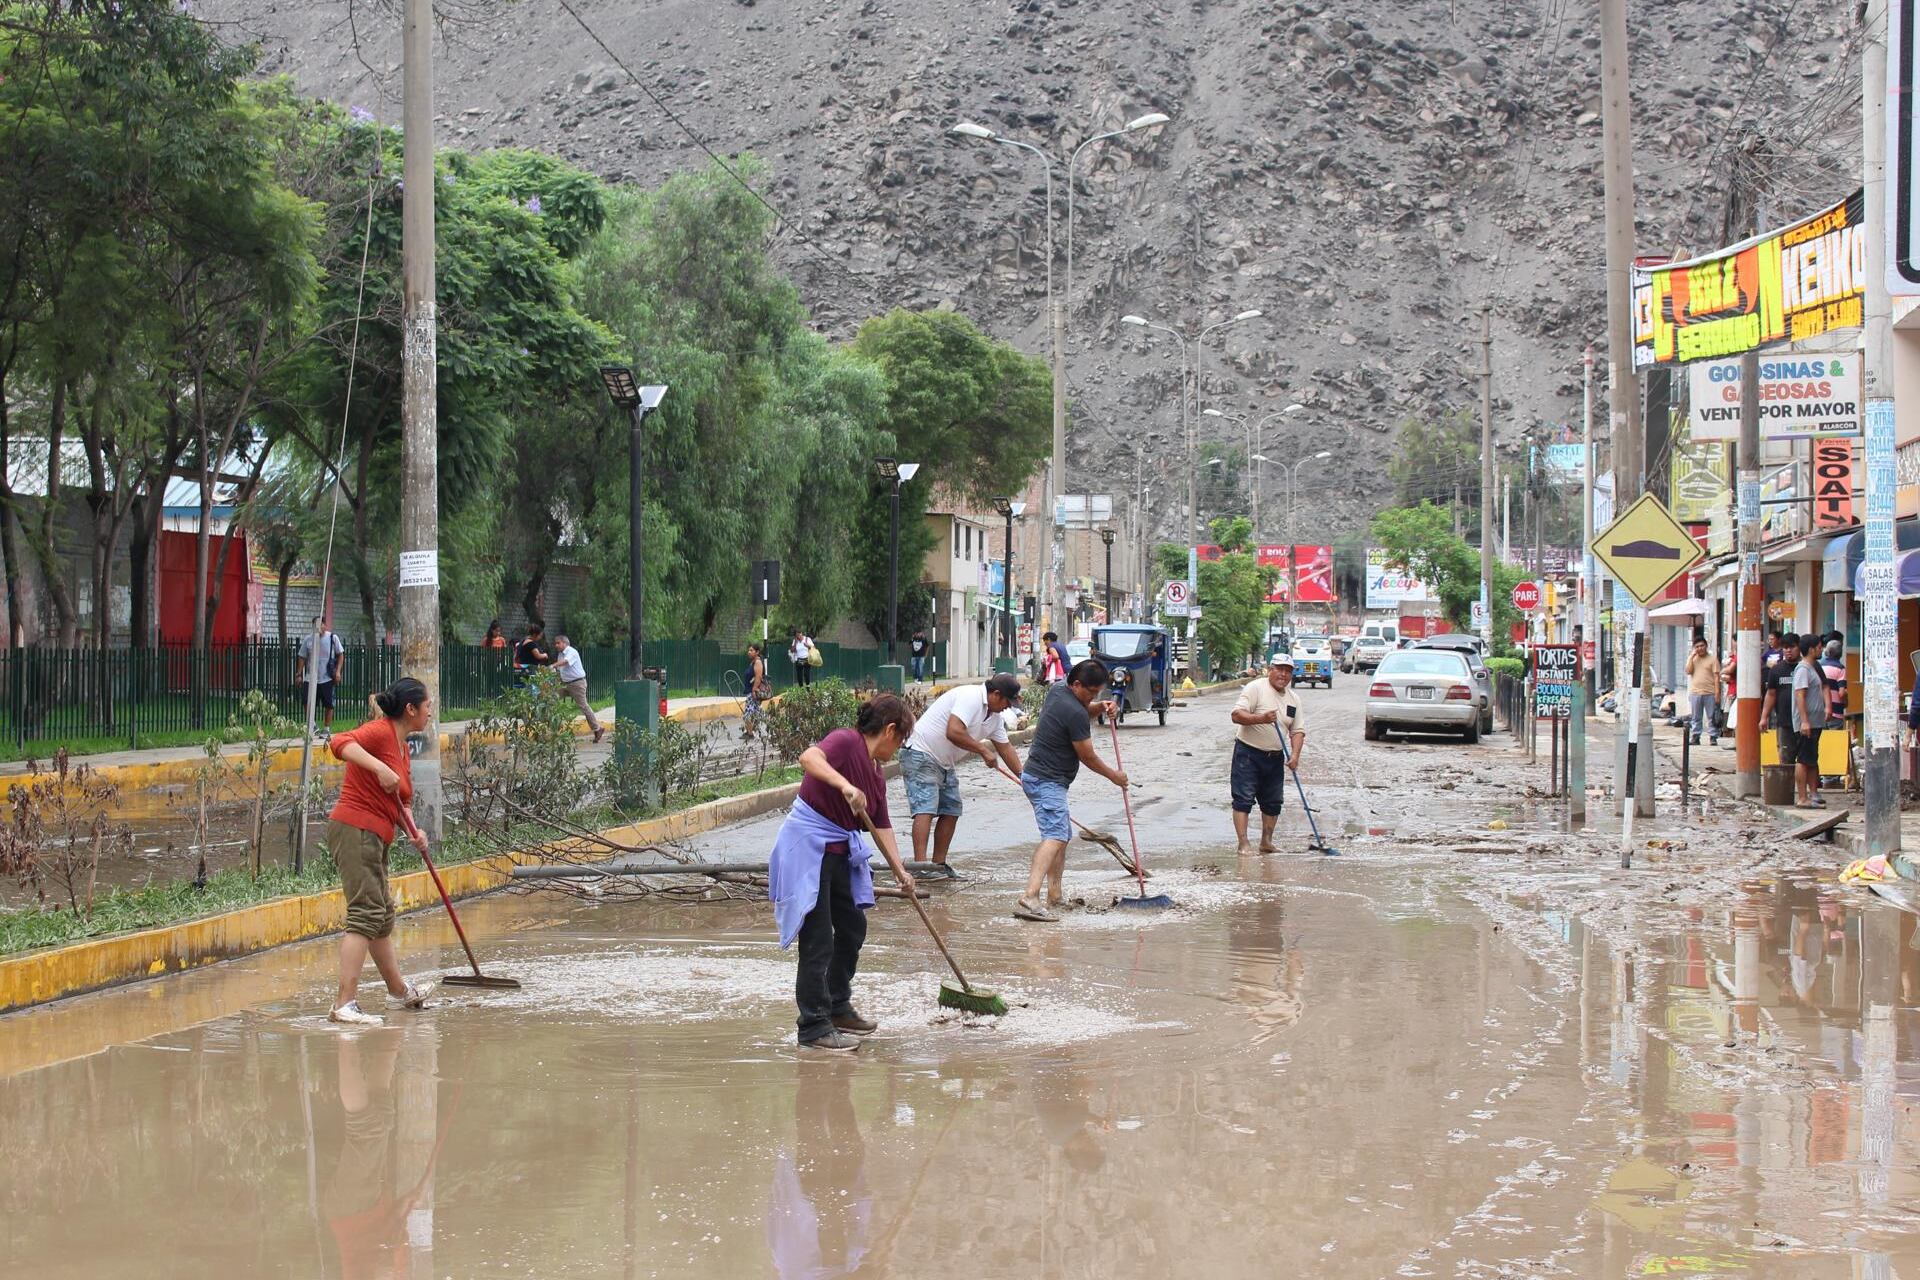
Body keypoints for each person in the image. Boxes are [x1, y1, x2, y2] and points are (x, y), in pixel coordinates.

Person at [768, 694, 917, 1051]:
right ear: (890, 730)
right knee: (818, 939)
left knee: (852, 927)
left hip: (838, 855)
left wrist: (901, 872)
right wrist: (844, 785)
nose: (897, 750)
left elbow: (882, 826)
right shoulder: (846, 741)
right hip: (809, 850)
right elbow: (809, 757)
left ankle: (837, 1006)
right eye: (900, 741)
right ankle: (813, 1026)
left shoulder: (877, 775)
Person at [326, 677, 435, 1025]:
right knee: (365, 913)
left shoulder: (402, 747)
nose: (430, 711)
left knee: (381, 916)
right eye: (427, 705)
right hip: (356, 829)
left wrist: (414, 832)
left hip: (376, 835)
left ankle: (399, 992)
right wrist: (378, 767)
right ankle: (345, 1004)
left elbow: (400, 800)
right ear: (411, 709)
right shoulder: (380, 731)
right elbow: (339, 742)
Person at [1014, 659, 1125, 923]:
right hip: (1046, 781)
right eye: (1091, 692)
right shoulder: (1075, 713)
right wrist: (1115, 777)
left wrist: (1100, 706)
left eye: (1098, 693)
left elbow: (1082, 708)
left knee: (1062, 835)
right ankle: (1030, 896)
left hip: (1041, 777)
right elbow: (1088, 757)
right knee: (1054, 835)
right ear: (1077, 684)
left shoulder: (1059, 691)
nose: (1093, 697)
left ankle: (1054, 896)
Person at [897, 673, 1024, 878]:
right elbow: (954, 731)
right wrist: (983, 751)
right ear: (996, 694)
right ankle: (920, 867)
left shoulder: (994, 719)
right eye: (1007, 702)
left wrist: (1023, 778)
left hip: (944, 761)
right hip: (920, 752)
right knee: (926, 809)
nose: (1008, 707)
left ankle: (938, 866)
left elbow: (1006, 748)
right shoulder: (971, 696)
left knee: (952, 809)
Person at [1229, 654, 1306, 855]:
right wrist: (1261, 718)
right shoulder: (1256, 688)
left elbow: (1297, 730)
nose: (1283, 674)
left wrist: (1295, 755)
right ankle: (1243, 843)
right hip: (1248, 753)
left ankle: (1266, 842)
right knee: (1243, 799)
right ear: (1270, 670)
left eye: (1288, 671)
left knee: (1273, 802)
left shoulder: (1293, 699)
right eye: (1279, 669)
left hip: (1275, 757)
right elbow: (1236, 715)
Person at [1791, 633, 1831, 809]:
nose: (1821, 649)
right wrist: (1804, 721)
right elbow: (1800, 695)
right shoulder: (1803, 669)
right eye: (1819, 646)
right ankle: (1802, 797)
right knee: (1804, 759)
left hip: (1815, 721)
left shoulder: (1813, 667)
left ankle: (1813, 793)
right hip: (1807, 723)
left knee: (1812, 759)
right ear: (1811, 649)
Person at [297, 619, 347, 737]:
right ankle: (312, 724)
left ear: (325, 625)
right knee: (306, 701)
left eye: (320, 625)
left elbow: (340, 655)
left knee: (328, 704)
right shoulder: (308, 640)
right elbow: (302, 657)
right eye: (315, 625)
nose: (318, 628)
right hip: (311, 677)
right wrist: (299, 674)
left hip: (327, 678)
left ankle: (326, 728)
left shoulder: (332, 638)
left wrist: (338, 671)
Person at [550, 634, 604, 743]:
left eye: (558, 643)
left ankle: (597, 729)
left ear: (565, 643)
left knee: (583, 706)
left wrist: (553, 666)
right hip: (564, 684)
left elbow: (565, 662)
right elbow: (562, 669)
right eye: (555, 643)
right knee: (551, 700)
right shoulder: (560, 655)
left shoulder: (571, 652)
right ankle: (554, 729)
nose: (556, 645)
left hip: (577, 683)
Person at [1761, 633, 1801, 772]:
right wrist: (1764, 717)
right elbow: (1771, 694)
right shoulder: (1777, 670)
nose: (1788, 651)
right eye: (1785, 648)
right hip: (1784, 721)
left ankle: (1808, 791)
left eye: (1792, 647)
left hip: (1805, 721)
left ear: (1799, 647)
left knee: (1806, 759)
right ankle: (1786, 790)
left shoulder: (1806, 667)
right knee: (1785, 759)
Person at [1684, 637, 1721, 747]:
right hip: (1695, 692)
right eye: (1697, 647)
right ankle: (1696, 736)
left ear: (1706, 646)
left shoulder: (1713, 659)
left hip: (1710, 692)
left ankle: (1713, 737)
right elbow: (1688, 671)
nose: (1700, 648)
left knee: (1712, 716)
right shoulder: (1693, 659)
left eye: (1702, 646)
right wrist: (1691, 656)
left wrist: (1717, 693)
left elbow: (1716, 677)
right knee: (1696, 717)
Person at [744, 642, 770, 725]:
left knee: (748, 714)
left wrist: (754, 689)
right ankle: (750, 732)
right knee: (754, 713)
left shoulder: (758, 662)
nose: (749, 652)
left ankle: (750, 733)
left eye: (751, 650)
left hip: (753, 692)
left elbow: (758, 677)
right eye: (748, 650)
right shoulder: (753, 662)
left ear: (757, 652)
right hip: (750, 691)